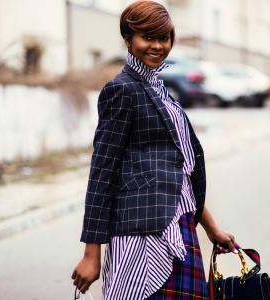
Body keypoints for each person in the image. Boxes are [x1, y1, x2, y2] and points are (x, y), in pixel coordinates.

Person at [71, 1, 235, 299]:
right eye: (148, 37)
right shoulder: (122, 89)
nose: (157, 46)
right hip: (140, 236)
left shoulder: (160, 90)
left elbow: (180, 173)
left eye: (164, 38)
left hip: (181, 226)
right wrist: (91, 252)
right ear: (129, 39)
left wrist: (211, 229)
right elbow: (102, 172)